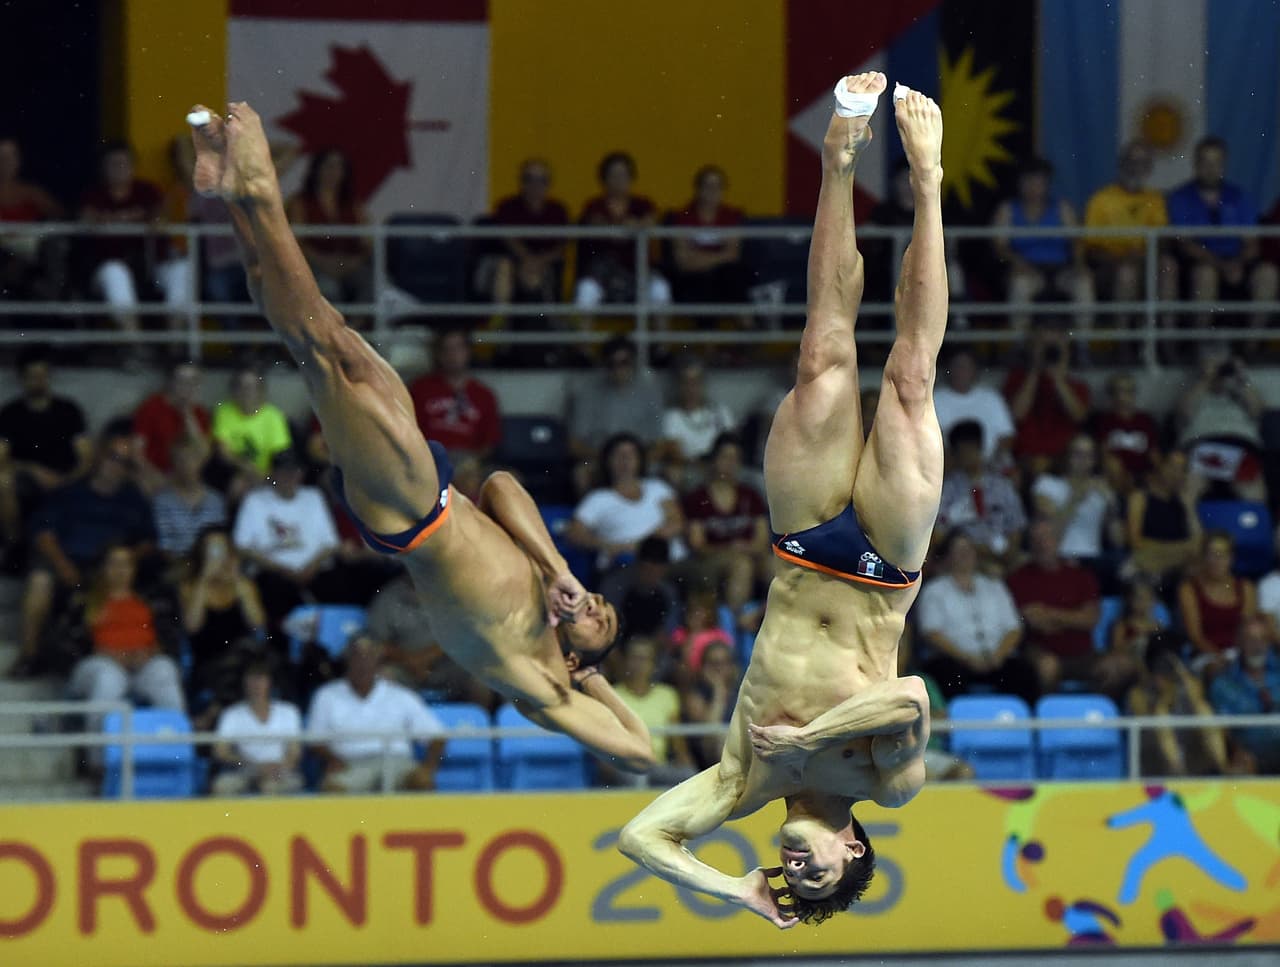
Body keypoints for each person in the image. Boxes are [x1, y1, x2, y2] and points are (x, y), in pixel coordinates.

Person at [187, 100, 652, 771]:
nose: (595, 602)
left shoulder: (537, 680)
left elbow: (638, 749)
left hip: (408, 513)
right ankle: (235, 196)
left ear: (577, 653)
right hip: (431, 480)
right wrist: (558, 570)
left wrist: (588, 677)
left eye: (598, 617)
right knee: (327, 333)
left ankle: (257, 191)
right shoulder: (542, 578)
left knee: (318, 348)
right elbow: (499, 482)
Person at [618, 76, 943, 927]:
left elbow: (640, 837)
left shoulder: (744, 781)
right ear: (855, 851)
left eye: (785, 876)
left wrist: (735, 889)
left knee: (820, 355)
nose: (793, 867)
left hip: (803, 543)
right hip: (886, 565)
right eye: (817, 876)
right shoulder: (888, 785)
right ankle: (929, 181)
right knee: (910, 379)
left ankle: (838, 163)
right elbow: (910, 697)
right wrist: (808, 741)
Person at [13, 430, 155, 677]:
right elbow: (42, 533)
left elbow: (148, 541)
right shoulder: (70, 492)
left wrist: (126, 563)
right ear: (99, 456)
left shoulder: (134, 499)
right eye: (113, 456)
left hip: (113, 569)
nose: (116, 465)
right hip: (69, 564)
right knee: (39, 579)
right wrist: (63, 565)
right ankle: (30, 656)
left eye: (125, 462)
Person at [1165, 136, 1278, 332]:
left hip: (1236, 262)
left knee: (1268, 274)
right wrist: (1220, 265)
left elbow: (1252, 243)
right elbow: (1185, 244)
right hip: (1200, 263)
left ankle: (1249, 346)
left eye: (1216, 162)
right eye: (1205, 162)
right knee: (1205, 275)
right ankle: (1198, 343)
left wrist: (1237, 263)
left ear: (1224, 164)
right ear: (1195, 163)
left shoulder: (1240, 196)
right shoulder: (1179, 197)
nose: (1211, 168)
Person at [307, 635, 443, 793]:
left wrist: (428, 768)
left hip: (396, 763)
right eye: (358, 656)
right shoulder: (327, 695)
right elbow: (315, 741)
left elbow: (437, 737)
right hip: (351, 764)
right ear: (348, 659)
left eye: (369, 656)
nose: (363, 663)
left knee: (422, 781)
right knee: (332, 789)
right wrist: (332, 760)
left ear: (378, 662)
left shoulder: (401, 695)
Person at [916, 531, 1038, 704]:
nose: (965, 555)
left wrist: (999, 655)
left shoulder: (995, 587)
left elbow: (1014, 628)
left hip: (996, 659)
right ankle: (956, 728)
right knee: (946, 674)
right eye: (959, 550)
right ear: (948, 557)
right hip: (955, 659)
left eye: (968, 550)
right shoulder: (934, 591)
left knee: (1024, 673)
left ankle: (1018, 726)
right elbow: (931, 633)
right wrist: (966, 658)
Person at [81, 141, 184, 339]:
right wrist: (127, 219)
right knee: (115, 273)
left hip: (149, 265)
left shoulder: (147, 191)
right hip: (108, 267)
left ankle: (176, 344)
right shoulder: (94, 195)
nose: (119, 168)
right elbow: (87, 218)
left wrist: (154, 220)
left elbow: (161, 216)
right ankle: (134, 344)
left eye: (124, 163)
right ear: (103, 168)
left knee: (181, 269)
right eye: (113, 164)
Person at [68, 545, 185, 712]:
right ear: (103, 568)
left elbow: (167, 639)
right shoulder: (84, 601)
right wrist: (106, 654)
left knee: (165, 669)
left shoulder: (150, 600)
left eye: (125, 564)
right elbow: (72, 644)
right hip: (101, 666)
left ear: (134, 569)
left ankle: (174, 734)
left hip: (142, 666)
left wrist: (149, 653)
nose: (120, 570)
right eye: (114, 563)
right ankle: (99, 737)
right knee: (108, 679)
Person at [231, 449, 340, 627]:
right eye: (284, 471)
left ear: (302, 473)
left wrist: (311, 567)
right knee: (275, 590)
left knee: (337, 584)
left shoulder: (313, 497)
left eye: (294, 471)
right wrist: (281, 569)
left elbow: (331, 543)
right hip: (273, 573)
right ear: (273, 473)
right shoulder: (255, 500)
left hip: (314, 571)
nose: (289, 476)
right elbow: (242, 547)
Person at [0, 346, 91, 544]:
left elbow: (86, 457)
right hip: (27, 480)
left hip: (67, 477)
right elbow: (1, 458)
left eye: (43, 374)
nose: (38, 380)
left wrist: (67, 479)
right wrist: (32, 470)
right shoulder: (10, 413)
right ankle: (14, 545)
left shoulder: (69, 410)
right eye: (33, 375)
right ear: (22, 378)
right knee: (3, 480)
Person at [991, 157, 1094, 333]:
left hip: (1061, 270)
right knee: (1020, 286)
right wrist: (1017, 262)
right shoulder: (1007, 210)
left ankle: (1082, 347)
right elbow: (999, 246)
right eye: (1028, 181)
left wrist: (1078, 265)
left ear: (1047, 183)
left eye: (1038, 181)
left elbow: (1076, 242)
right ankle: (1019, 347)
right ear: (1019, 183)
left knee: (1083, 284)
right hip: (1026, 270)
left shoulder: (1062, 209)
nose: (1033, 187)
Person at [1083, 142, 1173, 332]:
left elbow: (1162, 239)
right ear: (1121, 164)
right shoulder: (1101, 199)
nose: (1135, 167)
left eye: (1142, 162)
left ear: (1149, 167)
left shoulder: (1155, 198)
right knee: (1127, 272)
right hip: (1110, 270)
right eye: (1131, 161)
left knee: (1168, 266)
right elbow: (1091, 249)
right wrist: (1122, 260)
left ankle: (1167, 339)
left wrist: (1143, 257)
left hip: (1145, 265)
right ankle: (1123, 340)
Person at [1006, 517, 1103, 693]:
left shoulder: (1082, 576)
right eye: (1037, 539)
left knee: (1119, 667)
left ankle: (1093, 714)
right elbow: (1031, 621)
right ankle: (1050, 717)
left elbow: (1090, 619)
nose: (1042, 544)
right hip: (1039, 652)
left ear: (1058, 540)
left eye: (1047, 537)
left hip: (1083, 654)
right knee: (1048, 667)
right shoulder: (1018, 579)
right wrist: (1072, 618)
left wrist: (1050, 614)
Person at [180, 527, 267, 717]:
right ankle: (217, 710)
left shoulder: (243, 585)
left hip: (245, 659)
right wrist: (204, 579)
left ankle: (215, 711)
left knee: (250, 658)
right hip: (208, 661)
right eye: (212, 548)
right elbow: (192, 626)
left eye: (222, 548)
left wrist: (236, 581)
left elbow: (257, 624)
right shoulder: (191, 587)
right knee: (239, 665)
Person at [568, 432, 686, 573]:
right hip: (626, 567)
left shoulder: (658, 487)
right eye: (618, 455)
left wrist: (637, 545)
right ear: (607, 460)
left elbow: (676, 522)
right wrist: (608, 545)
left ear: (640, 460)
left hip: (671, 563)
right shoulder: (597, 498)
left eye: (631, 454)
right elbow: (574, 534)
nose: (625, 460)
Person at [1127, 632, 1234, 777]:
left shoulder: (1186, 685)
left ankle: (1223, 769)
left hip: (1191, 757)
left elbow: (1198, 703)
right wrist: (1162, 700)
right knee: (1161, 717)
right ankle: (1178, 773)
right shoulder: (1138, 693)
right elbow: (1149, 724)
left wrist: (1182, 674)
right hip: (1155, 762)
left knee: (1204, 710)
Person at [682, 433, 770, 610]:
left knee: (778, 566)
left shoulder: (750, 495)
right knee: (741, 565)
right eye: (725, 457)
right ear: (714, 460)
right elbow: (697, 545)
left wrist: (747, 548)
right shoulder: (698, 498)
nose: (731, 463)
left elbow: (762, 539)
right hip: (711, 559)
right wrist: (731, 548)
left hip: (749, 553)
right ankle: (734, 625)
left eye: (735, 458)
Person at [575, 151, 671, 309]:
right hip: (603, 272)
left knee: (660, 290)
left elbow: (651, 221)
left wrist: (637, 225)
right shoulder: (593, 205)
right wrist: (627, 228)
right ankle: (584, 335)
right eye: (614, 175)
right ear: (604, 179)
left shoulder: (643, 204)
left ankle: (658, 335)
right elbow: (597, 224)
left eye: (623, 175)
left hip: (639, 270)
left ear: (631, 177)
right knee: (586, 290)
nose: (619, 180)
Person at [1175, 350, 1267, 503]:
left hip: (1240, 448)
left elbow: (1258, 409)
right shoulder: (1196, 392)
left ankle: (1254, 525)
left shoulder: (1240, 392)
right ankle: (1192, 525)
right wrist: (1206, 379)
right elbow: (1184, 412)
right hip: (1203, 447)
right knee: (1190, 486)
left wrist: (1240, 376)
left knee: (1253, 487)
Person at [285, 148, 372, 306]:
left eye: (339, 167)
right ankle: (331, 330)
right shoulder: (300, 202)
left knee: (373, 284)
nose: (334, 172)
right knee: (328, 289)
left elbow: (367, 242)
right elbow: (295, 242)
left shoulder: (354, 205)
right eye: (329, 166)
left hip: (350, 263)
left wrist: (354, 262)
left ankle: (354, 327)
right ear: (317, 169)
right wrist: (323, 262)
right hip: (313, 264)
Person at [934, 419, 1026, 568]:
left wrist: (1008, 557)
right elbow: (939, 534)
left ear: (980, 447)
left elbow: (1016, 527)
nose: (967, 455)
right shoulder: (947, 490)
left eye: (971, 449)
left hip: (1000, 556)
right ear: (955, 454)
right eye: (962, 451)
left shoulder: (1002, 486)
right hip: (962, 557)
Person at [480, 157, 569, 307]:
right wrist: (528, 260)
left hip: (545, 265)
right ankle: (500, 321)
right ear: (521, 182)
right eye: (529, 179)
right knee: (504, 268)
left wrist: (538, 262)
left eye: (541, 180)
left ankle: (543, 324)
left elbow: (561, 246)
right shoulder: (507, 206)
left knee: (534, 277)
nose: (535, 185)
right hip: (513, 262)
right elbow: (508, 238)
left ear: (549, 183)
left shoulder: (558, 210)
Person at [611, 636, 698, 786]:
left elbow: (679, 746)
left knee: (689, 775)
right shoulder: (612, 694)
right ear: (626, 661)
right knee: (635, 778)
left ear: (654, 664)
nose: (639, 664)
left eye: (645, 658)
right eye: (635, 657)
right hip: (625, 766)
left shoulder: (667, 695)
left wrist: (688, 767)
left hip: (658, 766)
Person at [211, 659, 304, 795]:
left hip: (280, 771)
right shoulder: (232, 714)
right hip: (245, 770)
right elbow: (220, 751)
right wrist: (248, 765)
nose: (256, 685)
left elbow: (295, 752)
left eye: (260, 679)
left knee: (271, 787)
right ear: (244, 683)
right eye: (252, 680)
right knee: (221, 786)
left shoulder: (288, 712)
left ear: (269, 682)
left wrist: (279, 768)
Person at [566, 335, 664, 464]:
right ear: (604, 365)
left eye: (624, 362)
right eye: (612, 364)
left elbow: (659, 443)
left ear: (633, 363)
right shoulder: (587, 392)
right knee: (582, 475)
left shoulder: (650, 392)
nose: (618, 370)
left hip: (639, 463)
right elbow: (574, 444)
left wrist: (636, 463)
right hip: (600, 461)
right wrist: (610, 461)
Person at [407, 327, 501, 461]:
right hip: (429, 460)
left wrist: (471, 464)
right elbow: (410, 432)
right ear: (438, 354)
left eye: (458, 348)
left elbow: (489, 443)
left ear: (468, 352)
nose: (452, 355)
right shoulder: (420, 389)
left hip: (468, 463)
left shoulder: (484, 395)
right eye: (446, 349)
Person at [1030, 433, 1121, 570]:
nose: (1083, 460)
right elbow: (1050, 534)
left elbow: (1118, 541)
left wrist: (1112, 507)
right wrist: (1076, 498)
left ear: (1095, 460)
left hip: (1093, 559)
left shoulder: (1101, 489)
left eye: (1089, 455)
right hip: (1059, 556)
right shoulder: (1047, 484)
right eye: (1077, 454)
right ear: (1066, 456)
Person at [1177, 531, 1258, 678]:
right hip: (1207, 655)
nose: (1216, 560)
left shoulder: (1245, 587)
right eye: (1211, 554)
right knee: (1217, 670)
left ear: (1231, 558)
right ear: (1203, 557)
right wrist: (1221, 657)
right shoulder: (1189, 589)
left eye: (1222, 555)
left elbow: (1247, 629)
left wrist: (1240, 658)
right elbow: (1195, 636)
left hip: (1239, 653)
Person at [667, 165, 748, 305]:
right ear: (697, 188)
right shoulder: (682, 217)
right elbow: (682, 260)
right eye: (708, 186)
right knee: (699, 284)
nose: (713, 191)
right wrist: (718, 258)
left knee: (734, 277)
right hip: (692, 279)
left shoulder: (731, 216)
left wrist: (698, 258)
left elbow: (733, 255)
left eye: (717, 186)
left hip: (723, 278)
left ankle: (747, 326)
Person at [1209, 616, 1280, 773]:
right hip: (1251, 756)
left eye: (1263, 639)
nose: (1257, 646)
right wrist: (1236, 751)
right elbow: (1224, 731)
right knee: (1238, 770)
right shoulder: (1223, 684)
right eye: (1250, 639)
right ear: (1239, 643)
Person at [1125, 448, 1201, 586]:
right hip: (1148, 563)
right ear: (1162, 466)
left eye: (1181, 469)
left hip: (1176, 566)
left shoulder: (1182, 503)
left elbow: (1199, 544)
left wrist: (1189, 507)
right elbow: (1135, 542)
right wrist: (1181, 550)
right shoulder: (1140, 497)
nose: (1176, 474)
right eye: (1173, 467)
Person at [0, 135, 62, 303]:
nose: (5, 162)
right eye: (1, 156)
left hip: (29, 255)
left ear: (18, 160)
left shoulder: (32, 193)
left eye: (10, 156)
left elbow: (60, 217)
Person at [932, 347, 1014, 466]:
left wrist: (986, 464)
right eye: (957, 366)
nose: (961, 371)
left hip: (990, 466)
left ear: (975, 370)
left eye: (966, 367)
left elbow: (1007, 436)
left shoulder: (991, 398)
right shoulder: (934, 399)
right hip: (948, 467)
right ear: (948, 369)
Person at [152, 435, 226, 561]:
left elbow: (219, 541)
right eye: (180, 460)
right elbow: (164, 545)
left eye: (191, 458)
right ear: (173, 464)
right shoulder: (162, 501)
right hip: (175, 565)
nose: (186, 465)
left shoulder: (215, 500)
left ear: (201, 462)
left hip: (208, 565)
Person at [211, 365, 293, 479]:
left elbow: (280, 456)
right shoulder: (224, 411)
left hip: (268, 476)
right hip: (235, 472)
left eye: (250, 387)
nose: (245, 392)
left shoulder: (274, 416)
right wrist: (249, 470)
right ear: (233, 390)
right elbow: (223, 453)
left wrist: (265, 477)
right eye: (241, 387)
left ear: (260, 390)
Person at [658, 357, 738, 473]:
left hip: (721, 469)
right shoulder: (671, 417)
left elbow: (732, 447)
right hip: (690, 471)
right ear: (679, 385)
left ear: (703, 383)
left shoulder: (721, 412)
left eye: (696, 381)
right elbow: (676, 454)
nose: (691, 387)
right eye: (686, 381)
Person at [132, 361, 211, 475]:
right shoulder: (151, 407)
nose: (187, 387)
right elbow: (137, 453)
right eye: (181, 381)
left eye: (193, 382)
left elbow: (203, 454)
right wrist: (155, 477)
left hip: (187, 477)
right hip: (154, 474)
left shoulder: (199, 413)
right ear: (171, 382)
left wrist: (188, 414)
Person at [1092, 372, 1160, 498]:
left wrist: (1158, 473)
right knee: (1113, 466)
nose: (1123, 395)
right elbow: (1103, 453)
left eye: (1129, 391)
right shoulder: (1104, 420)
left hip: (1142, 474)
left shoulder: (1145, 420)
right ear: (1111, 395)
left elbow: (1154, 454)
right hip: (1116, 474)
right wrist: (1124, 475)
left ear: (1134, 393)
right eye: (1119, 390)